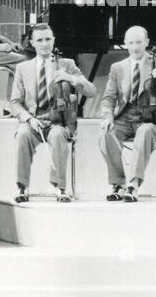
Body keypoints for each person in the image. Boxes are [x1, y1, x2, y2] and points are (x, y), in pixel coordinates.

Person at [6, 23, 95, 202]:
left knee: (58, 135)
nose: (45, 44)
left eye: (48, 39)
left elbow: (91, 91)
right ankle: (22, 187)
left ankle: (60, 188)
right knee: (23, 134)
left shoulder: (67, 64)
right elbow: (14, 102)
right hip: (35, 120)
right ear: (32, 43)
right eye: (40, 40)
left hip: (59, 121)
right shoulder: (23, 68)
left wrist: (70, 78)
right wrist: (29, 119)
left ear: (54, 40)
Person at [99, 25, 156, 202]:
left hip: (153, 120)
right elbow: (108, 98)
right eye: (131, 43)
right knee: (106, 135)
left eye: (139, 42)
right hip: (124, 118)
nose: (135, 47)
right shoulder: (117, 68)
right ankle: (118, 183)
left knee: (145, 131)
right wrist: (108, 117)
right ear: (125, 44)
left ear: (147, 42)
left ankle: (133, 184)